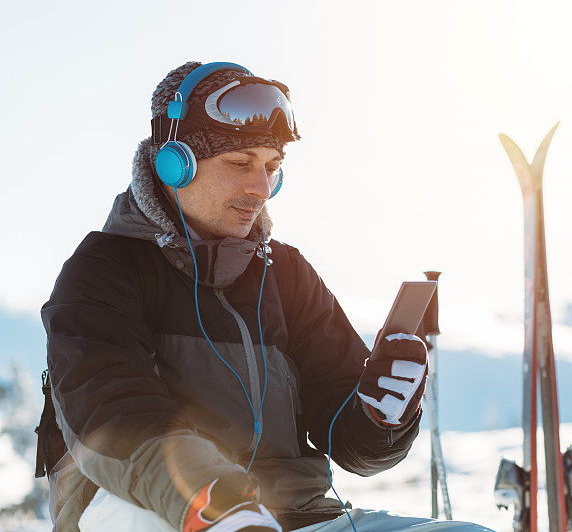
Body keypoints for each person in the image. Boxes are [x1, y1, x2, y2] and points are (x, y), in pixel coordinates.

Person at [38, 61, 492, 532]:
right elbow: (114, 418)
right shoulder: (104, 269)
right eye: (240, 164)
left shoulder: (287, 273)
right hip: (150, 508)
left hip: (294, 514)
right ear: (174, 163)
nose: (261, 189)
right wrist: (216, 500)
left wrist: (382, 417)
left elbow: (351, 442)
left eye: (272, 168)